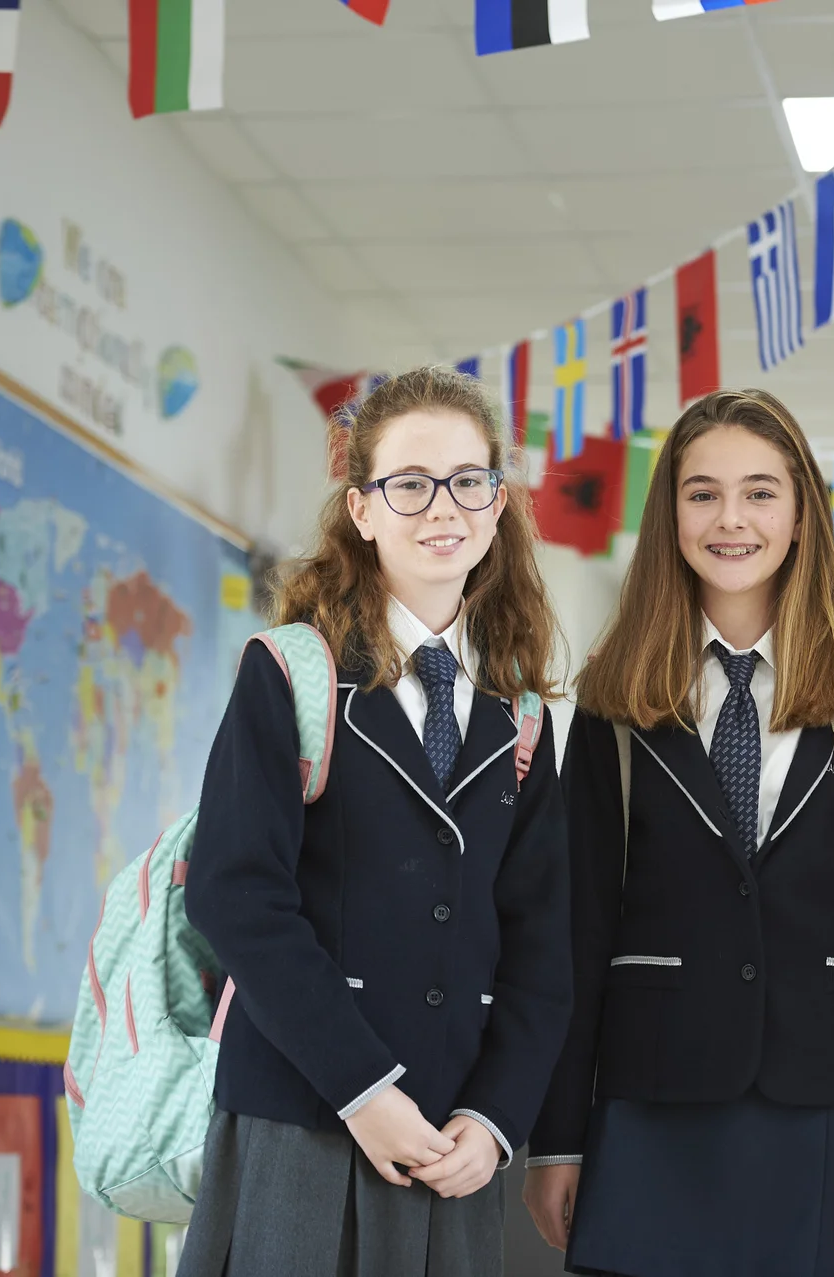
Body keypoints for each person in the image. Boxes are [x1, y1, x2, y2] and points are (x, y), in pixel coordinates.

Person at [522, 389, 834, 1276]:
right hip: (652, 1104)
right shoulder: (612, 693)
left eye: (761, 491)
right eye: (702, 492)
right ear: (670, 513)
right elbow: (574, 930)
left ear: (801, 513)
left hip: (831, 1103)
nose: (732, 519)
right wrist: (556, 1138)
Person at [176, 367, 573, 1277]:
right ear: (362, 508)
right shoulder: (290, 671)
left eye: (469, 481)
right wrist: (363, 1088)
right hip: (305, 1119)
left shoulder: (520, 714)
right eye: (409, 483)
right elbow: (237, 899)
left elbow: (543, 949)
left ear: (498, 500)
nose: (444, 507)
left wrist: (498, 1117)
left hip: (452, 1145)